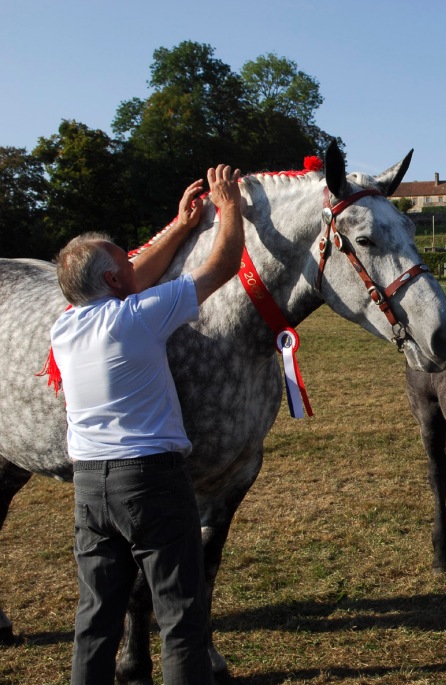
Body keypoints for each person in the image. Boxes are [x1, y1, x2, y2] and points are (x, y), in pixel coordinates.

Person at [51, 165, 244, 685]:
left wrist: (180, 228)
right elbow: (224, 264)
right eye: (125, 262)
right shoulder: (138, 315)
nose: (137, 264)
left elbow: (131, 272)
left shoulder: (65, 326)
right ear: (115, 280)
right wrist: (229, 209)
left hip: (90, 487)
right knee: (181, 617)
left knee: (96, 619)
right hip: (152, 481)